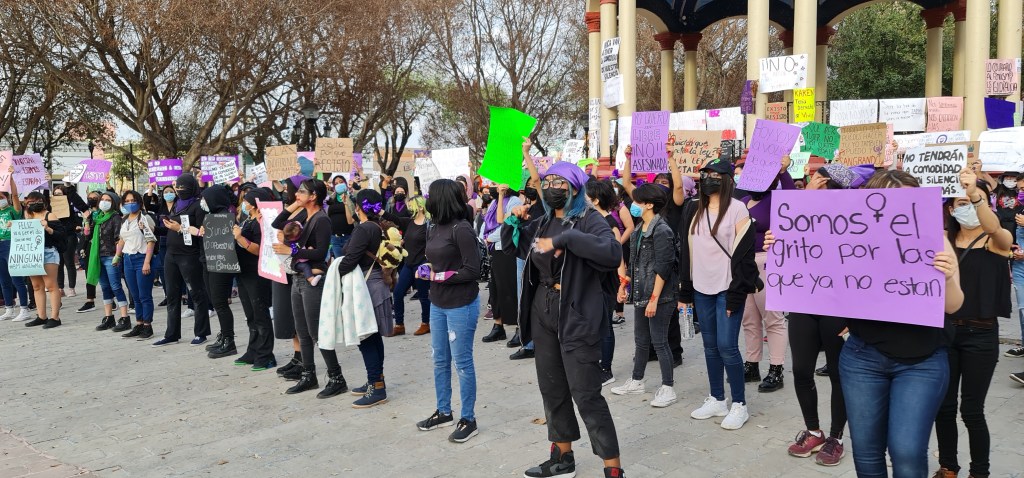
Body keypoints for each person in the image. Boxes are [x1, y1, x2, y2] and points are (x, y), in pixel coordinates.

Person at [765, 170, 963, 478]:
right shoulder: (852, 237)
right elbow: (815, 271)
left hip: (921, 361)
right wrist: (785, 245)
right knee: (867, 451)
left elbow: (953, 305)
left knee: (907, 450)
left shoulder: (935, 240)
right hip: (863, 357)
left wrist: (948, 277)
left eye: (905, 202)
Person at [503, 161, 625, 478]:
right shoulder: (543, 221)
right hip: (543, 309)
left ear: (574, 188)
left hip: (576, 312)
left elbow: (612, 253)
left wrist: (568, 239)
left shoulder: (589, 219)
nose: (551, 187)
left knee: (585, 393)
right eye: (547, 182)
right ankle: (561, 457)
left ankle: (613, 468)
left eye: (559, 182)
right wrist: (513, 222)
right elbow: (517, 249)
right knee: (552, 387)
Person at [933, 170, 1011, 478]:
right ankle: (948, 467)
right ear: (950, 209)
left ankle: (980, 472)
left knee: (972, 410)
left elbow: (995, 229)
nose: (966, 207)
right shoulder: (943, 241)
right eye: (960, 203)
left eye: (973, 202)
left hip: (981, 335)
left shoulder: (996, 240)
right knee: (944, 407)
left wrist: (975, 194)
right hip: (945, 332)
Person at [779, 163, 855, 466]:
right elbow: (785, 244)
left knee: (838, 373)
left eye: (817, 180)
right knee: (801, 370)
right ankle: (813, 431)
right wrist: (775, 242)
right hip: (803, 302)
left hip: (838, 306)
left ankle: (836, 437)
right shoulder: (798, 215)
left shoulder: (852, 219)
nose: (811, 183)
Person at [678, 157, 758, 430]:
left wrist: (736, 293)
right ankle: (717, 398)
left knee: (727, 346)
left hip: (728, 288)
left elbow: (745, 256)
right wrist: (685, 293)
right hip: (701, 288)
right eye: (705, 174)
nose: (708, 179)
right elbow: (685, 252)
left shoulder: (738, 209)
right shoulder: (693, 208)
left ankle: (739, 404)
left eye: (715, 175)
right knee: (710, 347)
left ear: (727, 180)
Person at [415, 179, 481, 443]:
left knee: (462, 363)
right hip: (438, 303)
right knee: (439, 360)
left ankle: (469, 419)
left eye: (430, 195)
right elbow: (435, 261)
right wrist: (426, 269)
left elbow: (473, 270)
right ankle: (444, 411)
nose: (426, 199)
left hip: (461, 304)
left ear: (441, 199)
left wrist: (440, 276)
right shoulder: (433, 227)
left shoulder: (461, 229)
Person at [273, 179, 349, 399]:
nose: (297, 194)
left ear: (314, 196)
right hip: (299, 279)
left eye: (301, 192)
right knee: (302, 331)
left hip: (313, 279)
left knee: (317, 332)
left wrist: (292, 250)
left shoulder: (321, 219)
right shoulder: (305, 214)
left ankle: (336, 378)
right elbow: (278, 223)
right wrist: (296, 204)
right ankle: (308, 375)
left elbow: (320, 253)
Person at [612, 183, 678, 408]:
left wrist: (654, 299)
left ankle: (668, 387)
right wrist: (623, 286)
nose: (634, 205)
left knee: (659, 342)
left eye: (638, 202)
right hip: (641, 293)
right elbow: (634, 264)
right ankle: (637, 380)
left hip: (660, 296)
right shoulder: (639, 229)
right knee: (641, 341)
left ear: (649, 204)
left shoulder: (662, 230)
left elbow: (663, 268)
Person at [332, 188, 395, 407]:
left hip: (367, 287)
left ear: (359, 207)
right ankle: (376, 380)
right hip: (377, 283)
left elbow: (350, 259)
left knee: (366, 337)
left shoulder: (364, 228)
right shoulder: (379, 225)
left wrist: (333, 273)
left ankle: (376, 387)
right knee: (373, 336)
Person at [739, 156, 794, 392]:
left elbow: (793, 200)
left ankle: (776, 369)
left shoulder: (776, 199)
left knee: (772, 318)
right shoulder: (743, 201)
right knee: (749, 318)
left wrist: (783, 171)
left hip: (767, 261)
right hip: (744, 264)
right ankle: (752, 365)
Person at [153, 173, 213, 347]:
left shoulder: (198, 206)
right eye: (177, 187)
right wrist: (154, 229)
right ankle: (171, 334)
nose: (179, 190)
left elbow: (202, 232)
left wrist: (181, 228)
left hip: (190, 255)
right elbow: (170, 230)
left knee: (197, 293)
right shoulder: (176, 205)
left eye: (183, 187)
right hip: (171, 254)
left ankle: (201, 332)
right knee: (172, 294)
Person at [231, 187, 276, 371]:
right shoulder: (247, 220)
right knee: (250, 315)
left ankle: (266, 355)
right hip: (244, 272)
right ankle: (253, 350)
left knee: (260, 314)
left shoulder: (261, 222)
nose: (244, 203)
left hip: (257, 274)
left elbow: (259, 249)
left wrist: (240, 239)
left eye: (247, 201)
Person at [586, 178, 625, 385]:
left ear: (596, 200)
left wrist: (621, 285)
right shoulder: (588, 221)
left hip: (606, 283)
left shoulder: (610, 224)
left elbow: (619, 258)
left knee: (605, 327)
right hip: (591, 281)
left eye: (586, 197)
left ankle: (606, 369)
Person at [14, 190, 65, 329]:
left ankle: (55, 317)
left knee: (51, 285)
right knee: (36, 286)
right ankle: (42, 316)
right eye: (31, 202)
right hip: (32, 254)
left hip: (48, 252)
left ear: (44, 202)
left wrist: (48, 228)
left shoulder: (50, 215)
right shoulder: (28, 216)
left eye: (38, 201)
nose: (35, 204)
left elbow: (61, 235)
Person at [200, 185, 240, 358]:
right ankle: (223, 335)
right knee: (216, 303)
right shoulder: (210, 216)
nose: (203, 202)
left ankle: (229, 341)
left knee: (221, 303)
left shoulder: (227, 218)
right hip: (208, 263)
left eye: (205, 199)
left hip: (221, 266)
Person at [85, 192, 131, 333]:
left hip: (111, 256)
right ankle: (109, 317)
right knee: (105, 287)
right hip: (98, 257)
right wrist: (86, 222)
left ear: (114, 203)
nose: (104, 202)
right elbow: (88, 235)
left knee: (116, 286)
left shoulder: (115, 217)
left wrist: (117, 255)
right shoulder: (97, 217)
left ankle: (125, 318)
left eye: (108, 200)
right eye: (102, 199)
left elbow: (119, 238)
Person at [385, 194, 430, 336]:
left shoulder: (429, 224)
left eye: (411, 205)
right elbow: (393, 218)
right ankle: (399, 325)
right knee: (398, 292)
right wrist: (378, 210)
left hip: (423, 264)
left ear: (420, 207)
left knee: (423, 295)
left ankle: (426, 323)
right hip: (409, 264)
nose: (409, 208)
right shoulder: (408, 222)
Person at [116, 190, 158, 339]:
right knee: (135, 295)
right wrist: (117, 256)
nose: (130, 203)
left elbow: (151, 241)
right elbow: (122, 239)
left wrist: (147, 262)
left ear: (139, 202)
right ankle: (139, 324)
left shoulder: (145, 218)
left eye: (133, 200)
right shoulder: (124, 219)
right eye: (127, 201)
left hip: (142, 258)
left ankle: (147, 325)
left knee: (144, 295)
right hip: (128, 259)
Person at [0, 187, 33, 322]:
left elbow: (15, 195)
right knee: (4, 280)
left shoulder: (13, 210)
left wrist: (11, 180)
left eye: (1, 197)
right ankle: (9, 308)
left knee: (16, 279)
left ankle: (24, 309)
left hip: (11, 244)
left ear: (7, 198)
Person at [51, 186, 82, 298]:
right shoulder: (52, 207)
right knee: (58, 263)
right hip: (56, 237)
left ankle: (71, 288)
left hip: (69, 236)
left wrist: (69, 186)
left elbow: (76, 218)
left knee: (69, 262)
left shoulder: (69, 207)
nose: (57, 196)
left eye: (60, 194)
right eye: (55, 194)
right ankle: (60, 288)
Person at [326, 176, 354, 259]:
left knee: (348, 262)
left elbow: (352, 217)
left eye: (341, 182)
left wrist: (346, 201)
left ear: (345, 183)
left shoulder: (352, 197)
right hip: (335, 238)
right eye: (336, 183)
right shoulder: (331, 199)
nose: (339, 184)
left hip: (348, 236)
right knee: (338, 262)